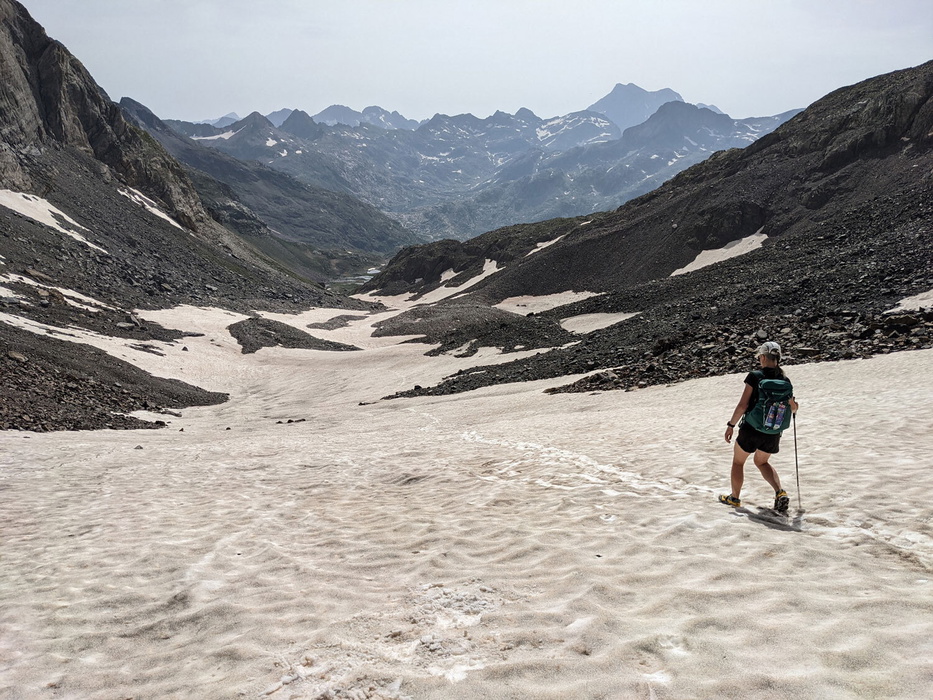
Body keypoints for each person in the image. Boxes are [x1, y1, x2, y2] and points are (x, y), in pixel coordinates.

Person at [719, 341, 798, 512]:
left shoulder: (755, 376)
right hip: (773, 431)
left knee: (738, 462)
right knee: (762, 462)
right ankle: (780, 492)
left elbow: (743, 405)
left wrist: (731, 425)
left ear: (762, 357)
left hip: (752, 429)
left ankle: (735, 498)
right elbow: (793, 407)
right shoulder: (785, 380)